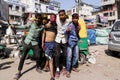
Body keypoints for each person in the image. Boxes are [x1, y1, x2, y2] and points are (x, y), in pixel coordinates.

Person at [14, 13, 44, 80]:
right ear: (35, 19)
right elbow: (24, 27)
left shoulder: (42, 27)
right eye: (37, 18)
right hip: (27, 42)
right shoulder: (32, 24)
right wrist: (15, 27)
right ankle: (19, 72)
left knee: (38, 56)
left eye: (39, 19)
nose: (38, 20)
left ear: (40, 19)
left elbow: (43, 35)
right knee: (23, 57)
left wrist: (42, 43)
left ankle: (37, 67)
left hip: (35, 43)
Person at [55, 9, 71, 78]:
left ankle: (64, 67)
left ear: (65, 15)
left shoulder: (68, 21)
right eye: (60, 15)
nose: (61, 16)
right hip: (58, 39)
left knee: (65, 55)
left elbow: (74, 20)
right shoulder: (57, 19)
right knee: (57, 55)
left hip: (65, 39)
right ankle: (57, 69)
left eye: (62, 15)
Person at [42, 13, 57, 80]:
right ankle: (52, 76)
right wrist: (42, 43)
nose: (52, 18)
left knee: (49, 57)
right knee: (51, 60)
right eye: (51, 17)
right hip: (47, 44)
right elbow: (43, 34)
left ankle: (45, 67)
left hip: (53, 44)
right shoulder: (47, 25)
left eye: (53, 17)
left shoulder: (56, 26)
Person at [65, 13, 81, 78]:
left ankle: (73, 67)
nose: (75, 19)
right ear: (72, 19)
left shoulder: (78, 25)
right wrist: (67, 30)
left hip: (76, 42)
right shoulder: (70, 24)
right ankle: (68, 71)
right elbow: (65, 32)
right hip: (70, 42)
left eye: (76, 18)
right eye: (74, 18)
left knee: (76, 56)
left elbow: (77, 33)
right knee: (69, 57)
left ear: (78, 19)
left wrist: (79, 38)